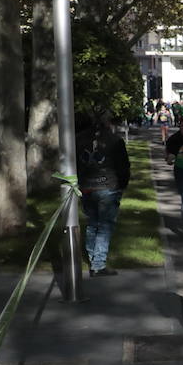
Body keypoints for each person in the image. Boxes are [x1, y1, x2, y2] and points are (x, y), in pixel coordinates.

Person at [76, 112, 130, 277]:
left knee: (92, 223)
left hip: (87, 186)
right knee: (105, 225)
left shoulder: (78, 139)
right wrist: (122, 184)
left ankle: (94, 258)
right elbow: (123, 166)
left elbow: (76, 163)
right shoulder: (115, 140)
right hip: (108, 185)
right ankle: (98, 264)